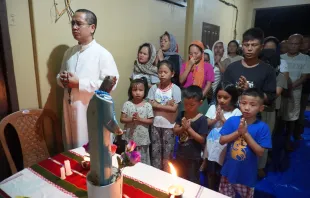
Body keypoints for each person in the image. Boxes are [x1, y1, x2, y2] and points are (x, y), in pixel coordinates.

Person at [56, 9, 119, 150]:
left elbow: (110, 85)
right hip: (69, 108)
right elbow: (59, 76)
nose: (74, 27)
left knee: (90, 153)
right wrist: (62, 79)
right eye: (72, 23)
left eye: (79, 23)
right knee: (71, 149)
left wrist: (79, 83)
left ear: (92, 28)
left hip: (90, 111)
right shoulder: (69, 53)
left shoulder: (102, 54)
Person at [219, 88, 272, 198]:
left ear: (261, 108)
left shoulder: (263, 128)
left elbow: (260, 152)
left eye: (253, 105)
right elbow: (222, 140)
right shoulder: (232, 121)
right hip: (229, 171)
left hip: (247, 175)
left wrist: (246, 134)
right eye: (244, 103)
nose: (247, 108)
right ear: (239, 103)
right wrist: (238, 132)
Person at [202, 81, 241, 191]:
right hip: (211, 144)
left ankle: (221, 191)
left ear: (233, 98)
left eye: (226, 97)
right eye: (219, 97)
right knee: (211, 171)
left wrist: (223, 119)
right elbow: (207, 123)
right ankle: (210, 190)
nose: (222, 100)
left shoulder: (236, 112)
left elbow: (235, 130)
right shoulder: (213, 108)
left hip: (225, 148)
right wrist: (216, 118)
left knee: (222, 172)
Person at [223, 28, 277, 106]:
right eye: (246, 45)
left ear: (261, 47)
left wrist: (250, 91)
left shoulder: (268, 70)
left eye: (254, 45)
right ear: (242, 46)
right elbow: (223, 91)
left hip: (254, 116)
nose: (249, 49)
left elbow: (270, 98)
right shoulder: (231, 68)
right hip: (232, 114)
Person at [147, 60, 182, 172]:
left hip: (169, 126)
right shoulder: (154, 88)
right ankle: (156, 176)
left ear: (172, 73)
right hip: (155, 125)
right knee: (155, 153)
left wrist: (157, 105)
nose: (162, 74)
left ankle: (167, 177)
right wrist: (166, 105)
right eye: (160, 72)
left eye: (165, 72)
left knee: (168, 154)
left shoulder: (175, 89)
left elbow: (173, 109)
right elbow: (149, 105)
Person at [258, 49, 287, 177]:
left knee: (264, 139)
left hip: (268, 111)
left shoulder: (279, 77)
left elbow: (274, 94)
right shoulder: (257, 72)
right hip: (252, 110)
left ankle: (260, 166)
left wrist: (251, 89)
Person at [173, 85, 208, 184]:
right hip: (180, 154)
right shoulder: (182, 114)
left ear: (200, 103)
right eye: (185, 104)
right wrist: (182, 128)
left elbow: (202, 139)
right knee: (179, 178)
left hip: (194, 157)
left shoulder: (202, 119)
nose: (188, 107)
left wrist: (188, 129)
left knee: (192, 180)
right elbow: (175, 130)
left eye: (191, 105)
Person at [281, 34, 310, 150]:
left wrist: (289, 87)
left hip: (296, 93)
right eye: (291, 43)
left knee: (292, 118)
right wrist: (283, 88)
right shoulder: (281, 57)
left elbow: (304, 77)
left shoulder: (305, 58)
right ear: (287, 43)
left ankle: (288, 140)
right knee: (280, 117)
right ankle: (277, 140)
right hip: (280, 92)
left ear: (300, 45)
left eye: (296, 44)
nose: (293, 46)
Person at [120, 78, 153, 165]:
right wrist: (131, 119)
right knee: (129, 159)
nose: (137, 92)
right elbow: (122, 119)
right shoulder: (127, 104)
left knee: (142, 161)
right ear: (131, 91)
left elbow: (150, 121)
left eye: (140, 90)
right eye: (135, 90)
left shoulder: (147, 105)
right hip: (130, 138)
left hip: (142, 139)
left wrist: (140, 119)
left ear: (145, 91)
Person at [180, 41, 214, 114]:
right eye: (191, 54)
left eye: (196, 53)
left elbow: (208, 84)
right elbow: (181, 80)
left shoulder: (208, 67)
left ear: (202, 53)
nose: (193, 56)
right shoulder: (184, 65)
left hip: (200, 98)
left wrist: (200, 97)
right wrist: (189, 66)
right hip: (186, 98)